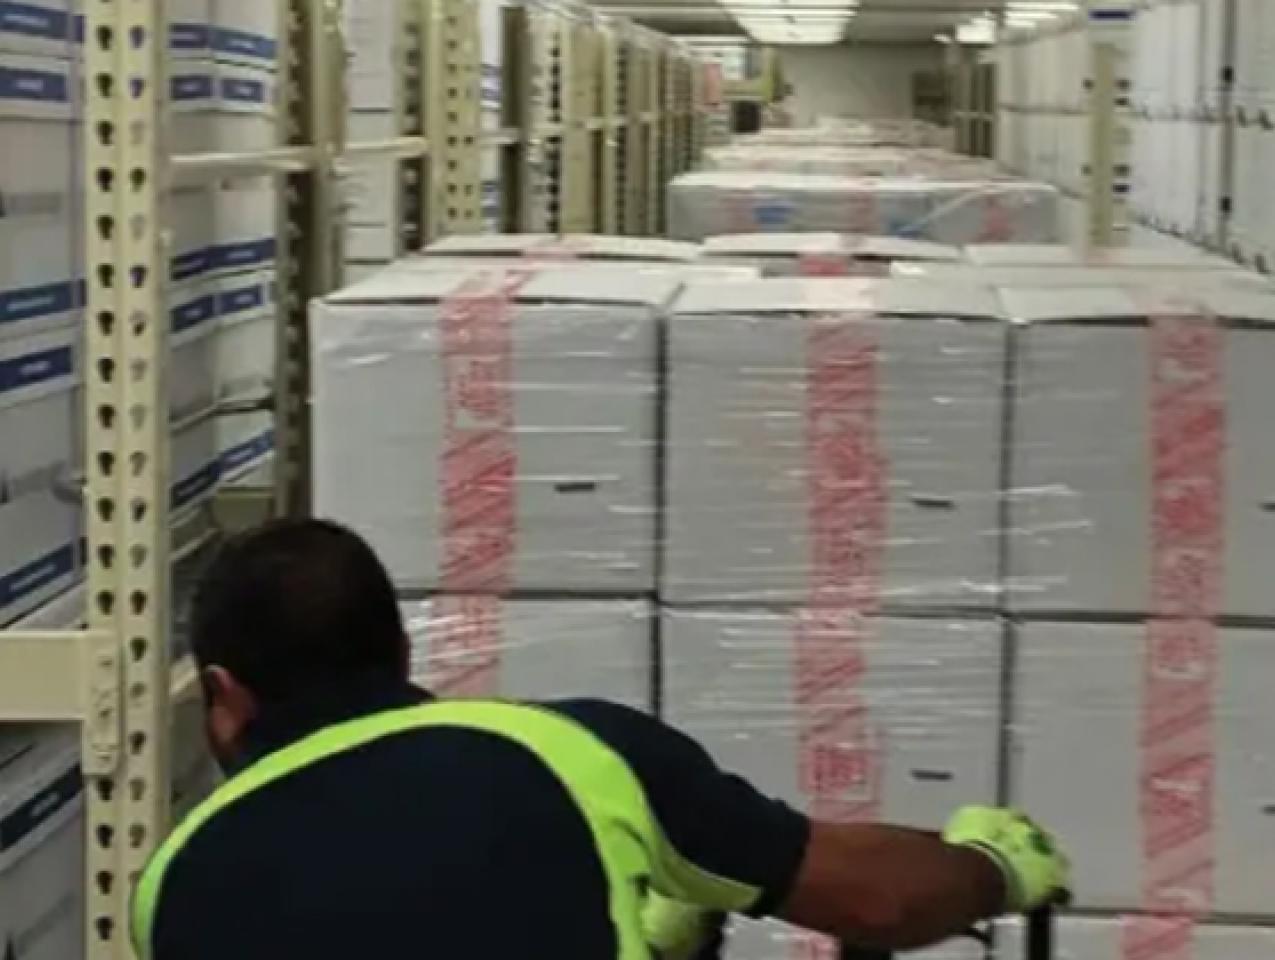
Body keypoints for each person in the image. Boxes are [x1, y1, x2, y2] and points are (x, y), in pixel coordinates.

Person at [132, 519, 1070, 960]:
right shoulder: (565, 754)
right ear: (400, 647)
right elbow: (875, 904)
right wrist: (990, 865)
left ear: (224, 696)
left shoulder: (169, 884)